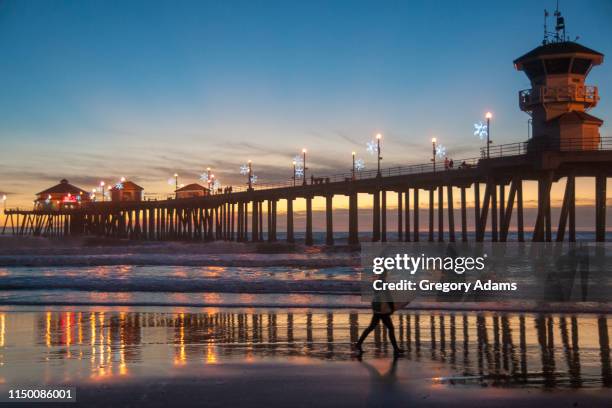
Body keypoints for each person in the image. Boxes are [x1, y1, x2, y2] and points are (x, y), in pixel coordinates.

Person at [355, 272, 406, 356]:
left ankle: (358, 344)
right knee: (390, 328)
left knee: (371, 327)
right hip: (382, 308)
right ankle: (396, 349)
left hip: (376, 306)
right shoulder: (383, 283)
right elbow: (388, 296)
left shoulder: (377, 282)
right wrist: (392, 308)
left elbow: (378, 294)